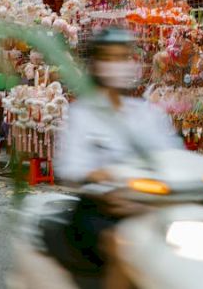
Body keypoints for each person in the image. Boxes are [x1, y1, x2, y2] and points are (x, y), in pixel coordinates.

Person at [54, 28, 182, 289]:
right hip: (98, 210)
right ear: (97, 65)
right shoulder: (83, 113)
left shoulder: (147, 113)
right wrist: (105, 176)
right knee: (126, 249)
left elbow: (174, 156)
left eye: (124, 57)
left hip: (149, 208)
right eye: (110, 58)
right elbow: (70, 166)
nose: (119, 65)